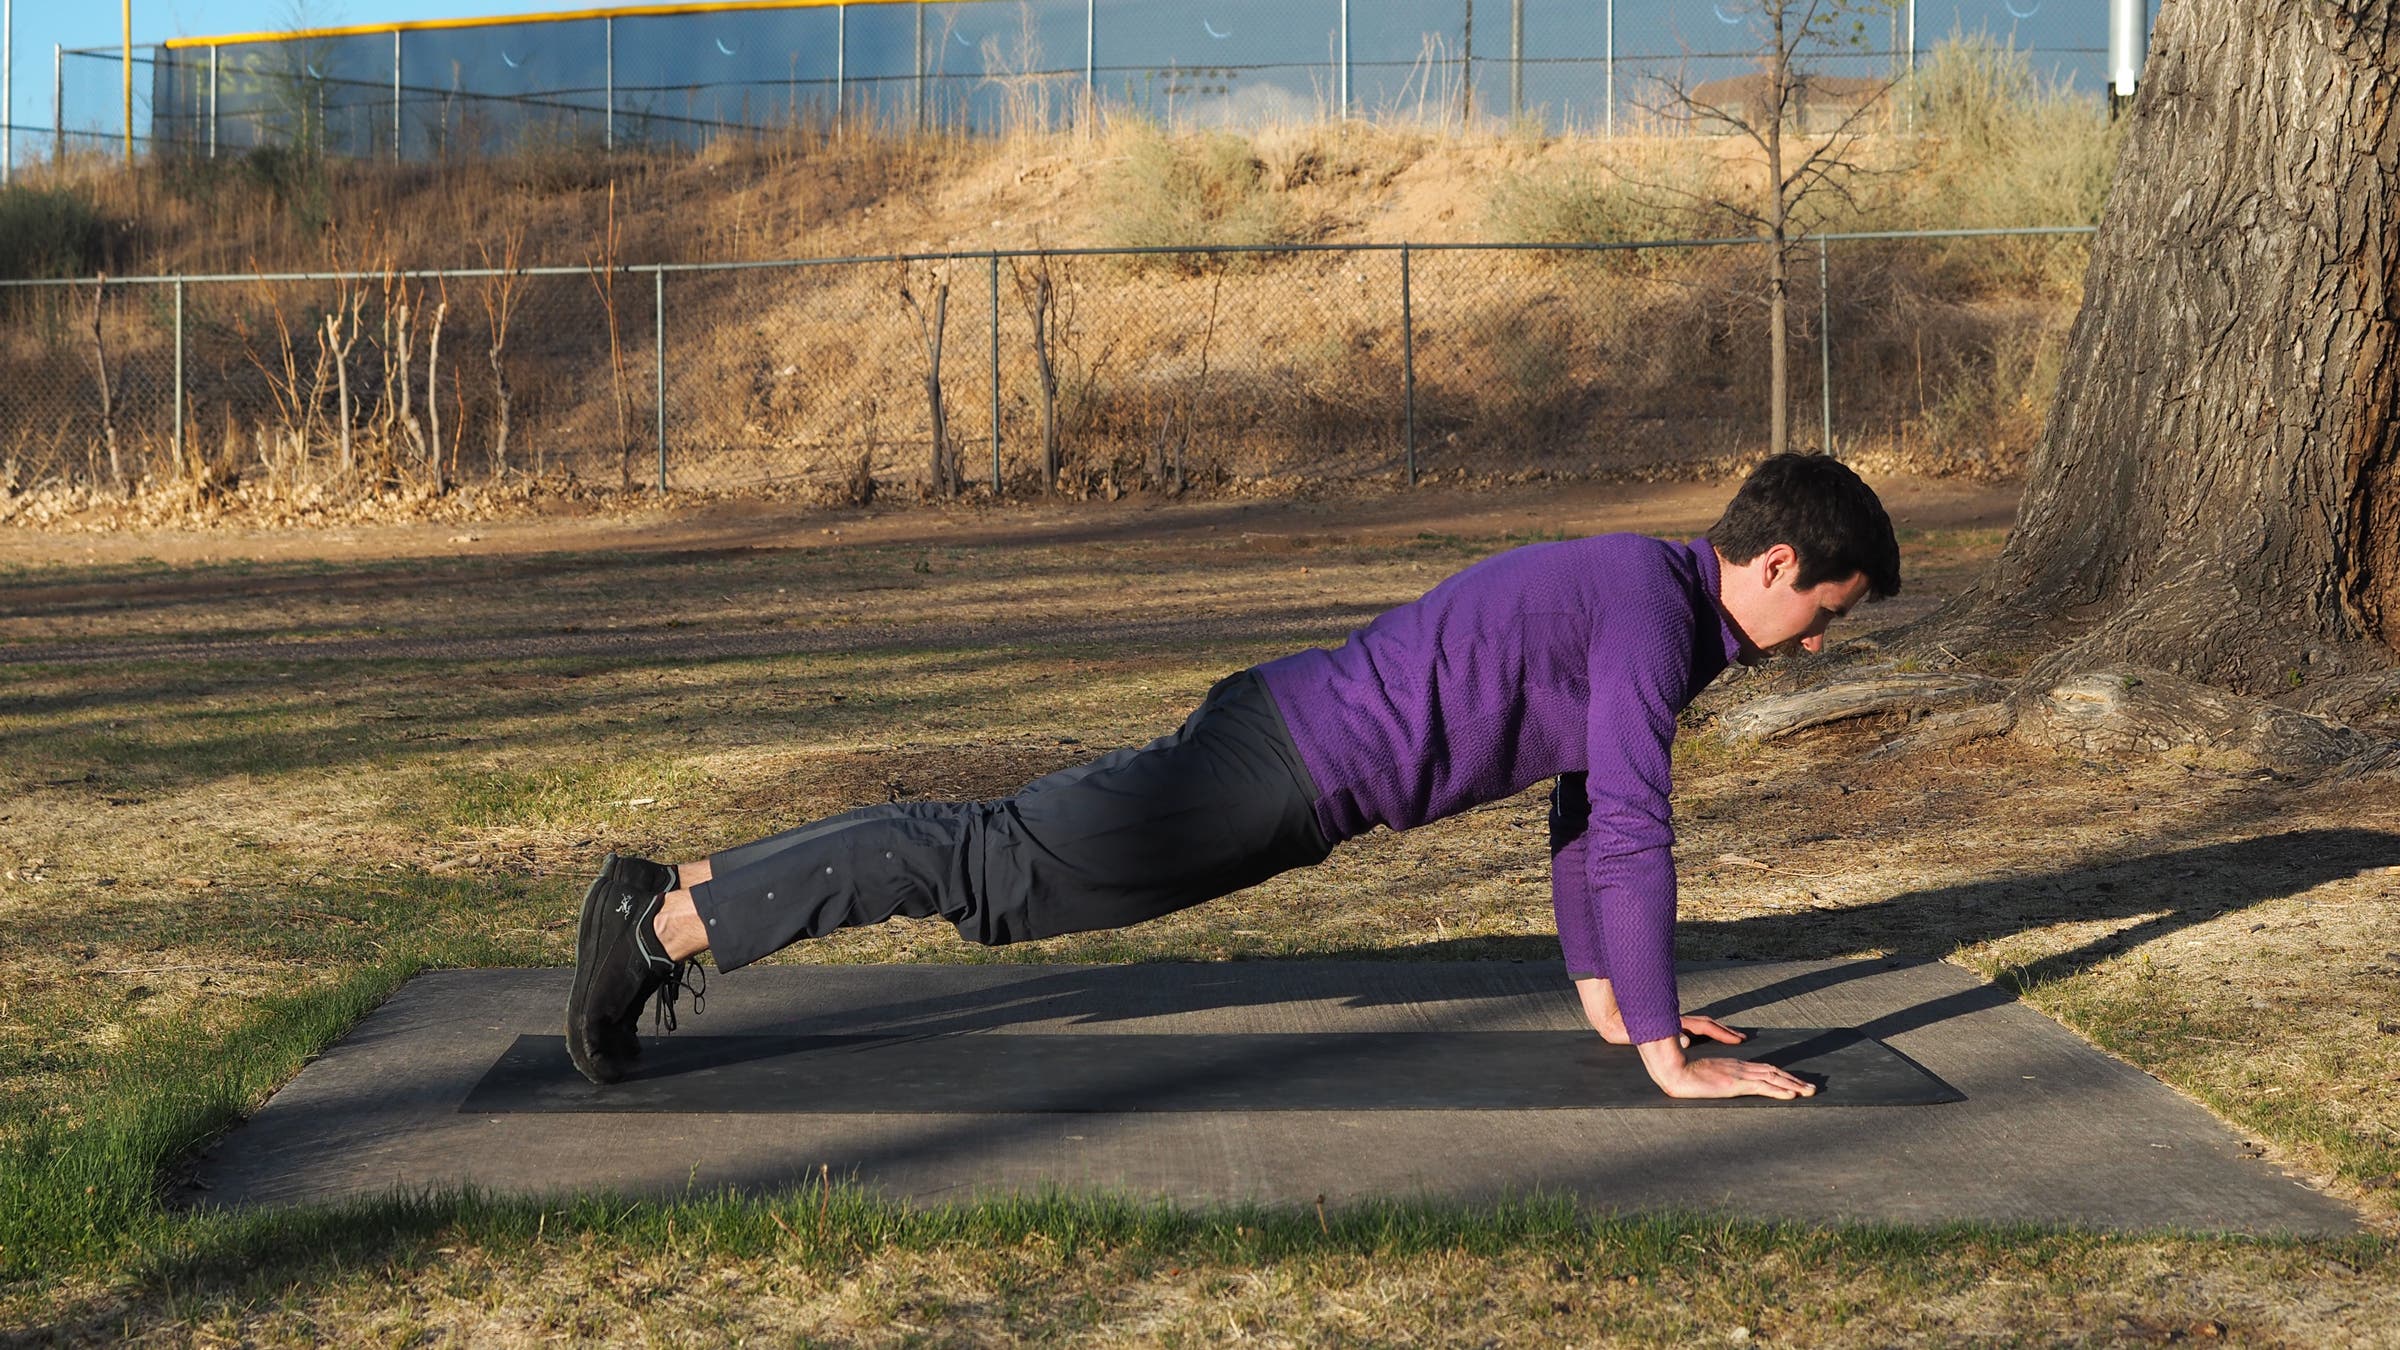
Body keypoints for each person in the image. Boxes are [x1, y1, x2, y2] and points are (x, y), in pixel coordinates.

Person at [565, 453, 1901, 1100]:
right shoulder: (1655, 612)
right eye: (1826, 613)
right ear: (1778, 563)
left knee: (987, 854)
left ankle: (660, 891)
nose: (1818, 642)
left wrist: (1612, 1000)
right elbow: (1635, 834)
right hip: (1279, 769)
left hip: (1289, 755)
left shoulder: (1658, 601)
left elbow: (1588, 799)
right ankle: (660, 925)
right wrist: (1668, 1056)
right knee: (986, 866)